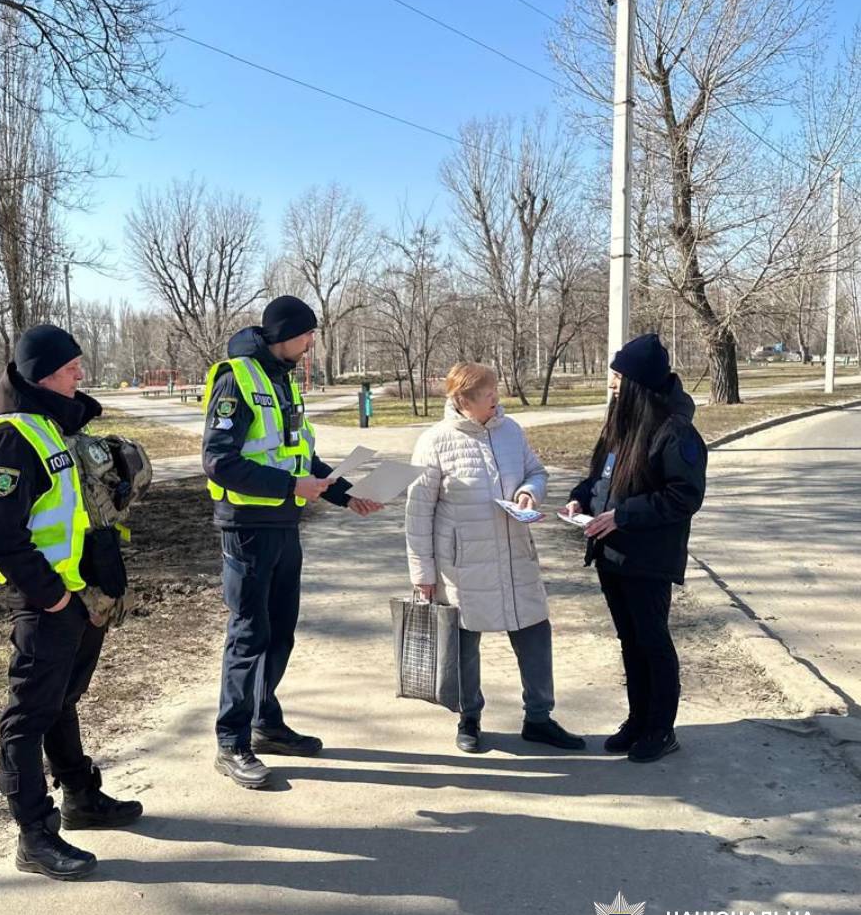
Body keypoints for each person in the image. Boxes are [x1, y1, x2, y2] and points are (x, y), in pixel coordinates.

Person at [0, 324, 143, 881]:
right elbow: (1, 537)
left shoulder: (51, 427)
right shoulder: (12, 436)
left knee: (62, 701)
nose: (80, 374)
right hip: (47, 602)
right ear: (42, 373)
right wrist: (51, 598)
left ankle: (80, 798)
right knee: (28, 717)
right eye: (71, 366)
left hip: (75, 599)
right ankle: (35, 835)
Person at [202, 296, 384, 789]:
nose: (311, 343)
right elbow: (219, 461)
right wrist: (289, 488)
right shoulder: (236, 379)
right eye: (307, 335)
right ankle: (231, 741)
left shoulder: (284, 380)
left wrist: (350, 497)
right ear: (284, 333)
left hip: (285, 524)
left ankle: (265, 722)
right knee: (248, 633)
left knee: (280, 630)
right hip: (247, 527)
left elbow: (304, 458)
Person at [405, 362, 586, 754]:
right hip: (462, 565)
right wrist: (423, 573)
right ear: (463, 400)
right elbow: (418, 512)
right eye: (488, 396)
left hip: (515, 555)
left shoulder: (510, 431)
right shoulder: (434, 441)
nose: (496, 401)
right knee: (465, 644)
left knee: (535, 633)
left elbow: (536, 472)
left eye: (495, 394)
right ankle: (469, 718)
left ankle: (539, 718)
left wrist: (528, 492)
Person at [564, 333, 707, 764]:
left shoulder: (675, 431)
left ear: (638, 384)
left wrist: (624, 516)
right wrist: (580, 498)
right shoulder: (620, 422)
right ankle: (637, 719)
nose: (611, 383)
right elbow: (600, 479)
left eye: (618, 376)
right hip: (611, 553)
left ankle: (661, 728)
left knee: (652, 640)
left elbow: (684, 495)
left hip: (648, 557)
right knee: (629, 640)